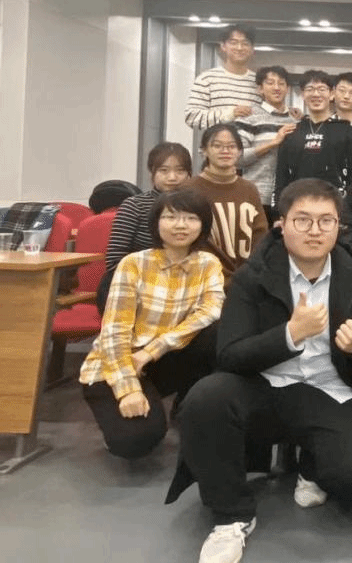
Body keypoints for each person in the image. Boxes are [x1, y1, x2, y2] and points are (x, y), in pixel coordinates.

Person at [166, 179, 352, 563]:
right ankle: (231, 517)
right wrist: (290, 335)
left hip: (329, 387)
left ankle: (311, 464)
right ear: (281, 225)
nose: (315, 231)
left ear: (338, 226)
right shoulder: (252, 275)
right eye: (303, 220)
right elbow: (229, 355)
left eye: (326, 221)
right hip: (265, 385)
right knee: (205, 398)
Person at [80, 189, 223, 459]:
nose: (181, 225)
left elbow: (210, 311)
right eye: (171, 217)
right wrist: (128, 390)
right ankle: (125, 409)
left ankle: (188, 408)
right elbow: (114, 333)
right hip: (118, 363)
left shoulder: (208, 264)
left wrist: (151, 351)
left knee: (217, 333)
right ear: (156, 223)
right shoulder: (134, 264)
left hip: (160, 359)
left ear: (203, 224)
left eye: (191, 218)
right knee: (134, 440)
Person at [102, 142, 193, 312]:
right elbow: (114, 260)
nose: (172, 177)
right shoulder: (135, 205)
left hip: (184, 286)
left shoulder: (197, 207)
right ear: (152, 172)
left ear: (189, 174)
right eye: (164, 171)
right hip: (132, 287)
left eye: (180, 171)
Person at [184, 124, 268, 283]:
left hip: (245, 281)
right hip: (201, 278)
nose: (225, 151)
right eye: (217, 146)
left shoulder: (249, 189)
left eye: (231, 146)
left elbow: (260, 235)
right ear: (204, 151)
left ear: (240, 152)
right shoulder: (189, 189)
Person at [274, 70, 352, 205]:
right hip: (298, 204)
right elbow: (281, 176)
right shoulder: (291, 131)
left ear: (332, 94)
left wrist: (350, 210)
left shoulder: (348, 131)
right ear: (303, 94)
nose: (316, 94)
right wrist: (278, 210)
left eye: (322, 89)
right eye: (310, 89)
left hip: (335, 205)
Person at [235, 65, 298, 220]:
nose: (276, 87)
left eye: (281, 83)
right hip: (255, 196)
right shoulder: (248, 117)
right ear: (260, 89)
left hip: (287, 198)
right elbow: (237, 158)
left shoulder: (296, 121)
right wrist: (273, 143)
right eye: (270, 83)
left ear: (287, 89)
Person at [184, 25, 262, 131]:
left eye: (245, 43)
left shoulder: (259, 82)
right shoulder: (207, 79)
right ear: (223, 46)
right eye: (233, 43)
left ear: (252, 49)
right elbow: (191, 117)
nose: (239, 48)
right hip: (216, 141)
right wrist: (230, 114)